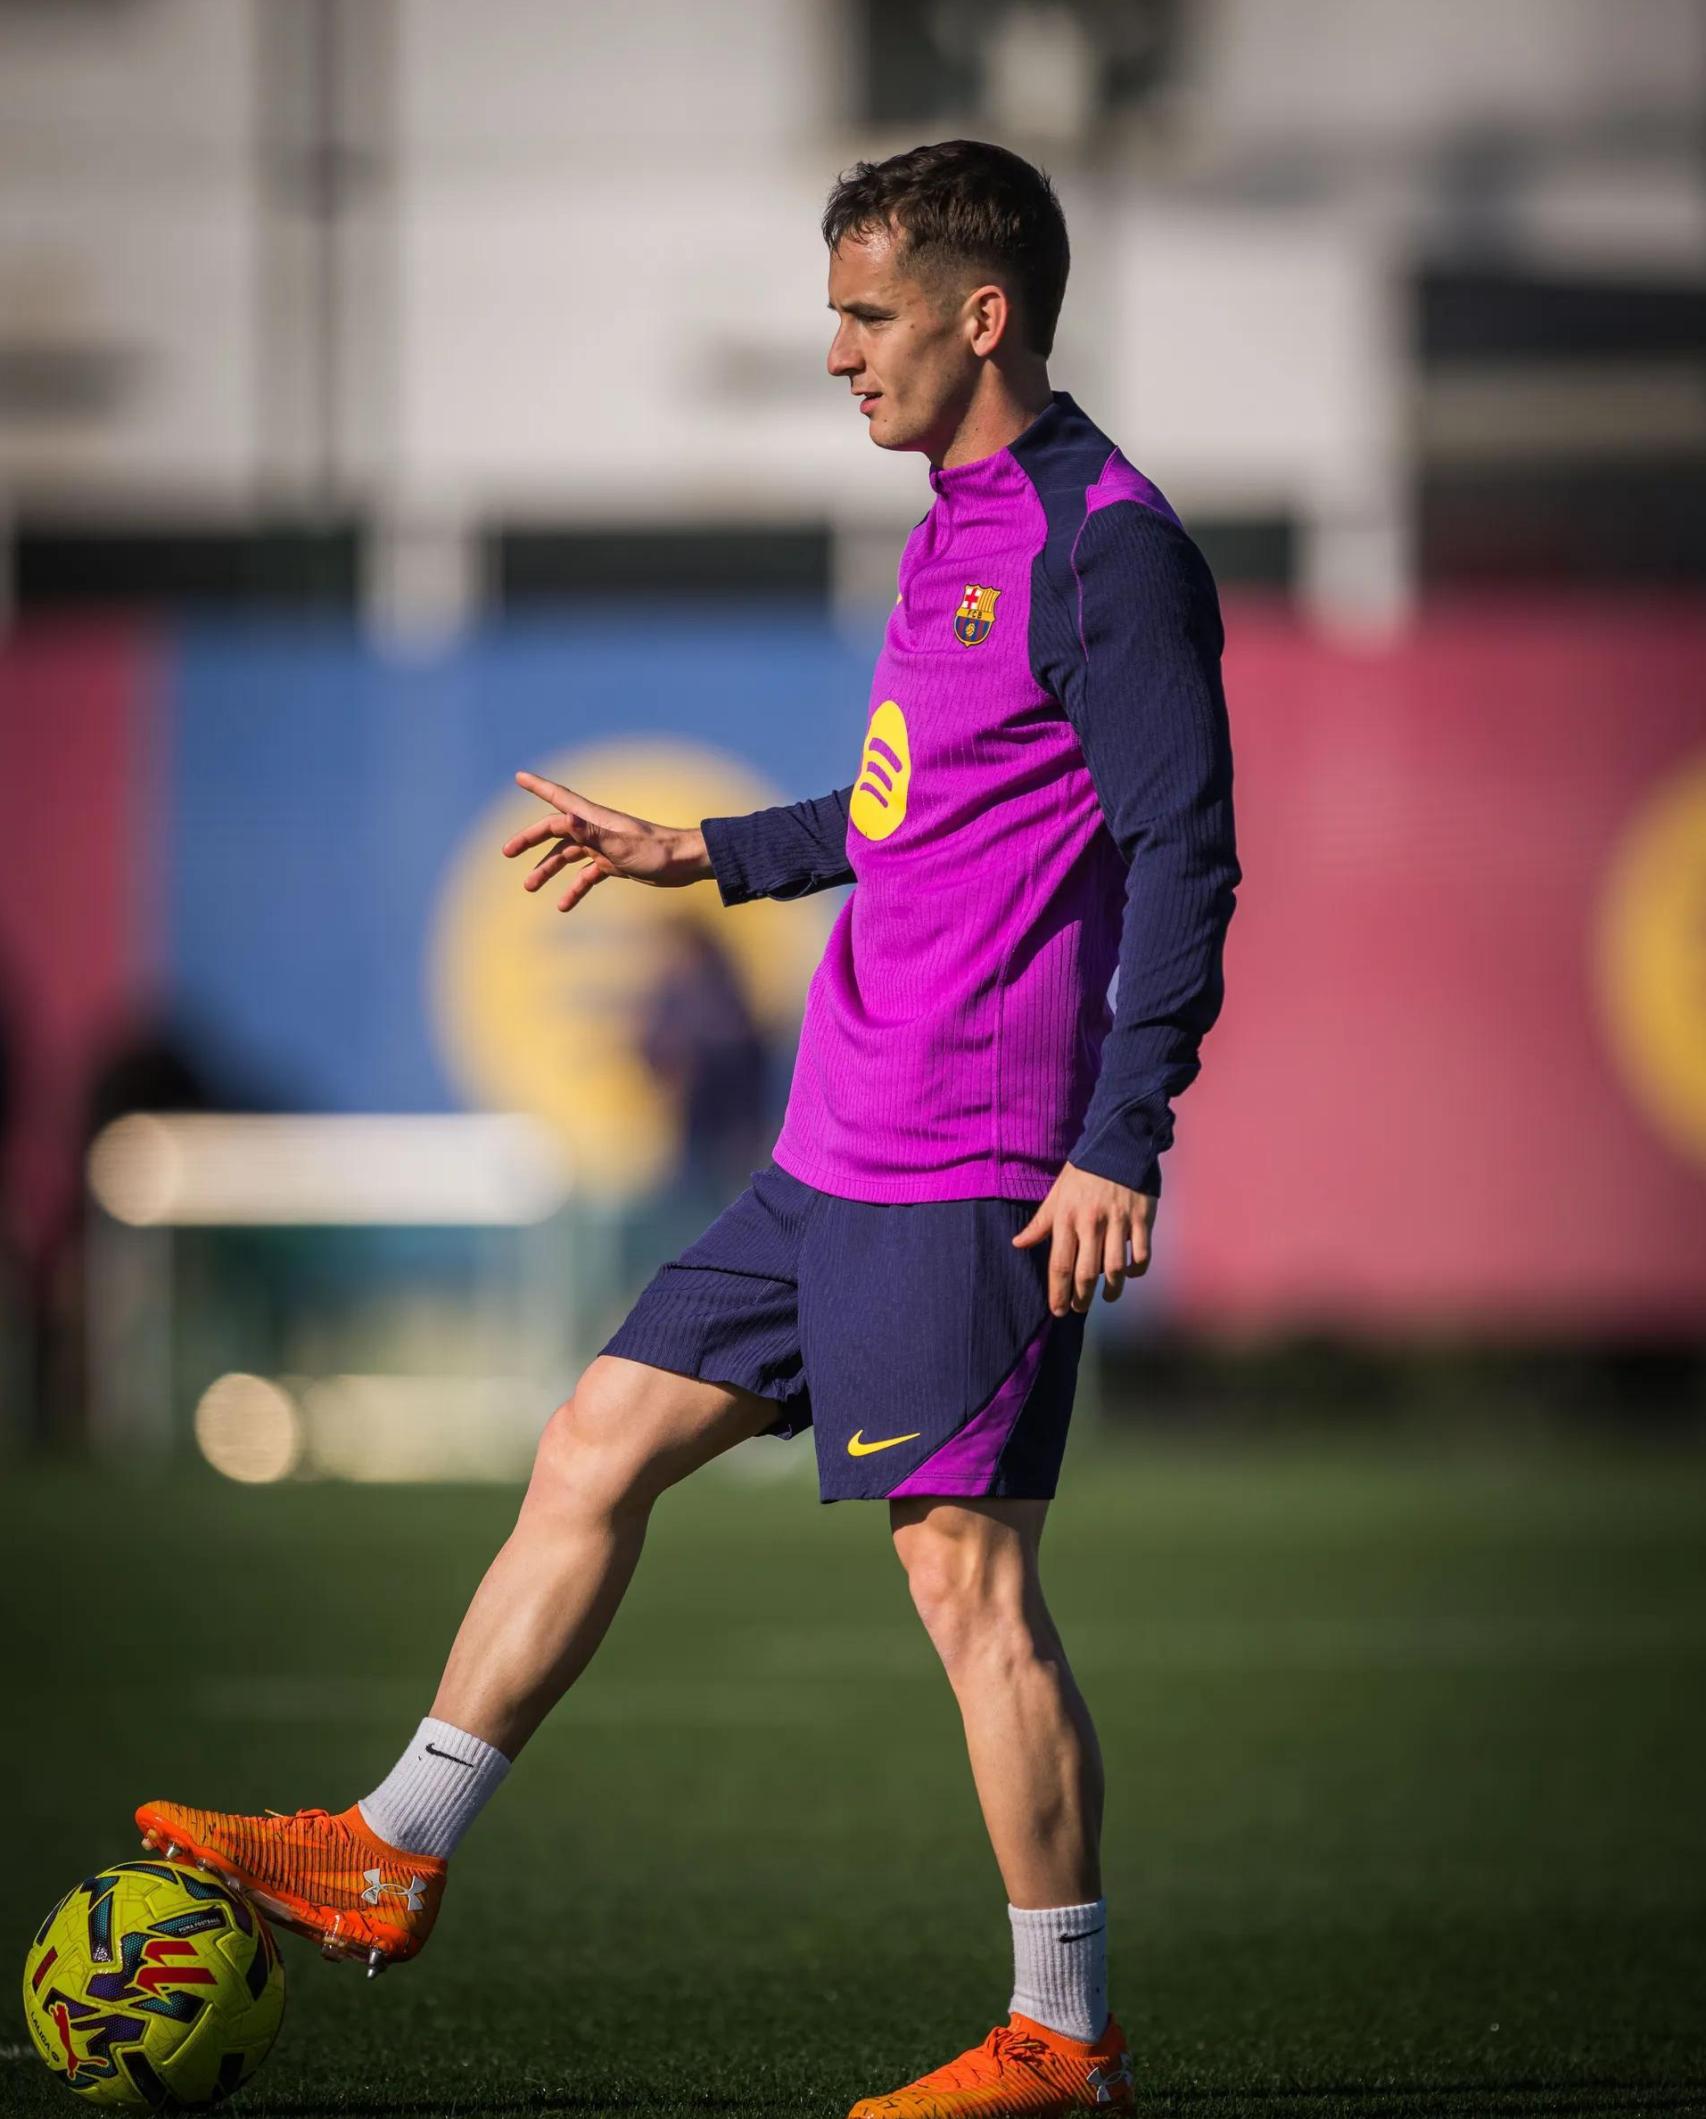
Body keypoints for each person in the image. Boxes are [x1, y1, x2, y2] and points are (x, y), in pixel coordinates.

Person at [138, 139, 1240, 2119]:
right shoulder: (955, 519)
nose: (836, 353)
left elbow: (1184, 852)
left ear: (983, 315)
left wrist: (1120, 1134)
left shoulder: (1107, 546)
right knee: (594, 1440)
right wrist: (702, 851)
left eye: (866, 314)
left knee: (965, 1583)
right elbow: (915, 807)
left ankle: (1063, 2038)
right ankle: (394, 1845)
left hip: (972, 1164)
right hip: (832, 1150)